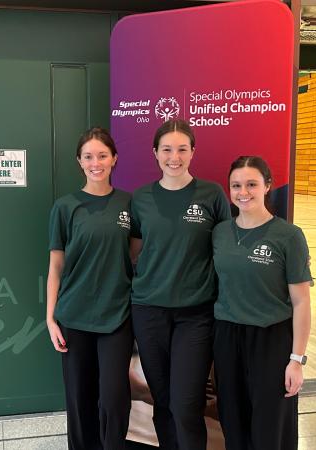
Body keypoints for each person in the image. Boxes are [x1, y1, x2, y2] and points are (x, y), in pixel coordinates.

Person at [129, 119, 231, 450]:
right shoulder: (141, 198)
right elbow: (133, 253)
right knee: (162, 400)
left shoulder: (212, 194)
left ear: (192, 152)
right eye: (167, 149)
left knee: (186, 404)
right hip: (149, 311)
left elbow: (230, 246)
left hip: (196, 314)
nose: (175, 157)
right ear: (155, 153)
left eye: (182, 149)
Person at [211, 156, 312, 450]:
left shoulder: (288, 236)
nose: (244, 192)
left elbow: (302, 302)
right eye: (236, 185)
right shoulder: (220, 233)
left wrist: (297, 360)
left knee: (270, 425)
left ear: (267, 186)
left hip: (272, 339)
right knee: (233, 421)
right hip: (228, 336)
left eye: (252, 184)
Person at [46, 127, 134, 450]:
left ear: (114, 159)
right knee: (80, 399)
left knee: (113, 397)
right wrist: (50, 319)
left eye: (102, 155)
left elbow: (135, 256)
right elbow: (56, 266)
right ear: (79, 162)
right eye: (88, 157)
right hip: (74, 315)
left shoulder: (129, 203)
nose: (95, 162)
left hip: (117, 316)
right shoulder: (65, 207)